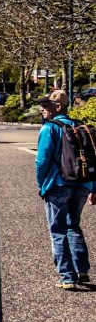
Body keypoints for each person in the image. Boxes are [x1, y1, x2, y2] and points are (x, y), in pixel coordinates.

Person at [33, 89, 96, 290]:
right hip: (82, 183)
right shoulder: (81, 127)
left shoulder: (50, 128)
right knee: (73, 225)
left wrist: (41, 184)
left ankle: (67, 278)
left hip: (58, 184)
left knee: (58, 230)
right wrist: (93, 187)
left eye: (45, 105)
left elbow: (42, 161)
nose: (41, 109)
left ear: (57, 107)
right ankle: (81, 270)